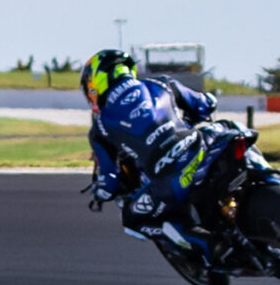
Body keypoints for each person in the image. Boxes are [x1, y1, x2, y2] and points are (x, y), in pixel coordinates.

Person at [81, 48, 221, 252]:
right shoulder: (160, 83)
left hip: (168, 177)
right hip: (198, 145)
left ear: (97, 82)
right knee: (232, 131)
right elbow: (205, 104)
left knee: (132, 218)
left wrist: (101, 192)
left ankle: (207, 245)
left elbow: (109, 182)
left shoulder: (101, 126)